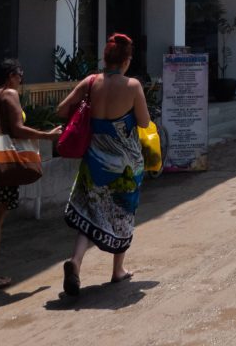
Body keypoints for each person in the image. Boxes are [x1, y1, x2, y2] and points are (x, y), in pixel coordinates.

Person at [57, 34, 150, 297]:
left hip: (94, 160)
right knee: (122, 212)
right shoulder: (132, 86)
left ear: (105, 58)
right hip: (124, 163)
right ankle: (117, 269)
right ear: (126, 61)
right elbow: (143, 123)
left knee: (88, 210)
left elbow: (62, 110)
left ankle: (75, 262)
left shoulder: (90, 82)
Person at [0, 59, 61, 293]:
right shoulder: (9, 95)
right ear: (9, 76)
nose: (21, 79)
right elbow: (17, 129)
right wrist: (48, 135)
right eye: (19, 74)